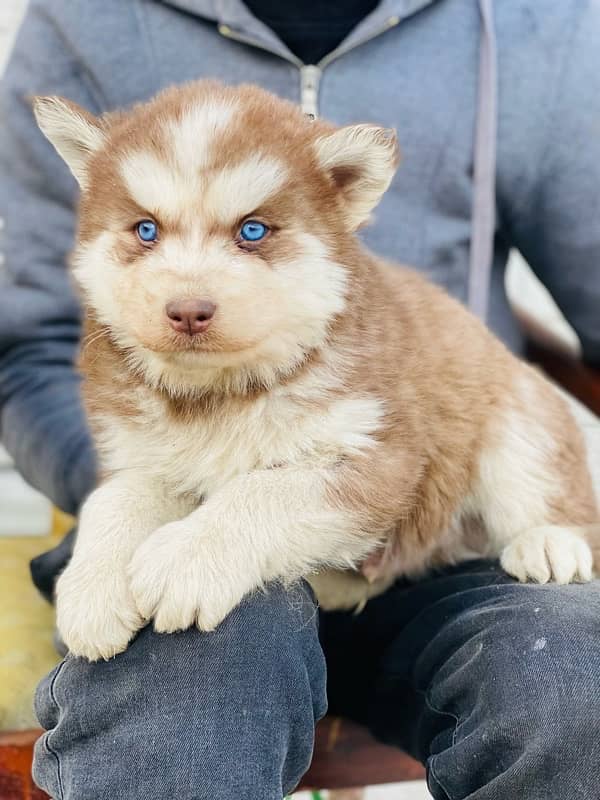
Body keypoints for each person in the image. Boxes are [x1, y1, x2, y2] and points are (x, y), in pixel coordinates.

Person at [1, 1, 599, 798]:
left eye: (251, 232)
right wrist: (133, 508)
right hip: (191, 545)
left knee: (567, 676)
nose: (189, 293)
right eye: (146, 231)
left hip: (443, 540)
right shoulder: (85, 21)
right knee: (180, 692)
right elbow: (26, 345)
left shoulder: (533, 25)